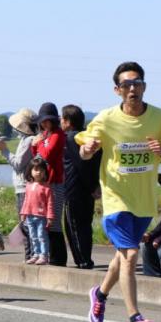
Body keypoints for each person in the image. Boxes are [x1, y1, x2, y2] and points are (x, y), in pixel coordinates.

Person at [77, 61, 161, 322]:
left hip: (143, 200)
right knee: (130, 255)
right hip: (115, 199)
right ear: (117, 90)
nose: (132, 89)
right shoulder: (106, 119)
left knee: (122, 257)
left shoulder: (160, 118)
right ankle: (135, 319)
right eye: (126, 84)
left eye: (137, 83)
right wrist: (88, 150)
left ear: (144, 87)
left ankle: (100, 294)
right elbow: (84, 151)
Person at [60, 104, 101, 269]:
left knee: (74, 227)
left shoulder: (71, 138)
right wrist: (95, 185)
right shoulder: (88, 137)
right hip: (88, 189)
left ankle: (83, 261)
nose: (60, 121)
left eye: (62, 118)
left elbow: (80, 164)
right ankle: (86, 259)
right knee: (85, 226)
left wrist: (92, 187)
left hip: (74, 188)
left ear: (67, 121)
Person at [0, 108, 37, 261]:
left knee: (26, 223)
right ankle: (31, 254)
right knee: (27, 223)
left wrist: (4, 150)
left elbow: (18, 164)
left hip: (24, 187)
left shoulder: (29, 140)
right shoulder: (26, 139)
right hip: (23, 187)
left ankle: (30, 255)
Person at [31, 102, 68, 266]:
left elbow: (47, 154)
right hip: (45, 182)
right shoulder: (46, 134)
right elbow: (37, 158)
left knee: (54, 221)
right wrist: (35, 145)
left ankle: (58, 259)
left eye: (47, 120)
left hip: (56, 181)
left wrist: (38, 143)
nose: (44, 124)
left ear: (54, 120)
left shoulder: (58, 135)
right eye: (42, 121)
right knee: (45, 221)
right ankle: (48, 255)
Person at [21, 157, 56, 265]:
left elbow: (50, 203)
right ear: (30, 171)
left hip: (41, 217)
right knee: (33, 236)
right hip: (30, 216)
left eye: (41, 170)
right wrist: (23, 213)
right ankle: (36, 254)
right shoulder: (28, 185)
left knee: (41, 236)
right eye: (36, 169)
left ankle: (44, 255)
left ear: (45, 172)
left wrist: (50, 217)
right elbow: (26, 200)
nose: (39, 172)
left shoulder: (46, 187)